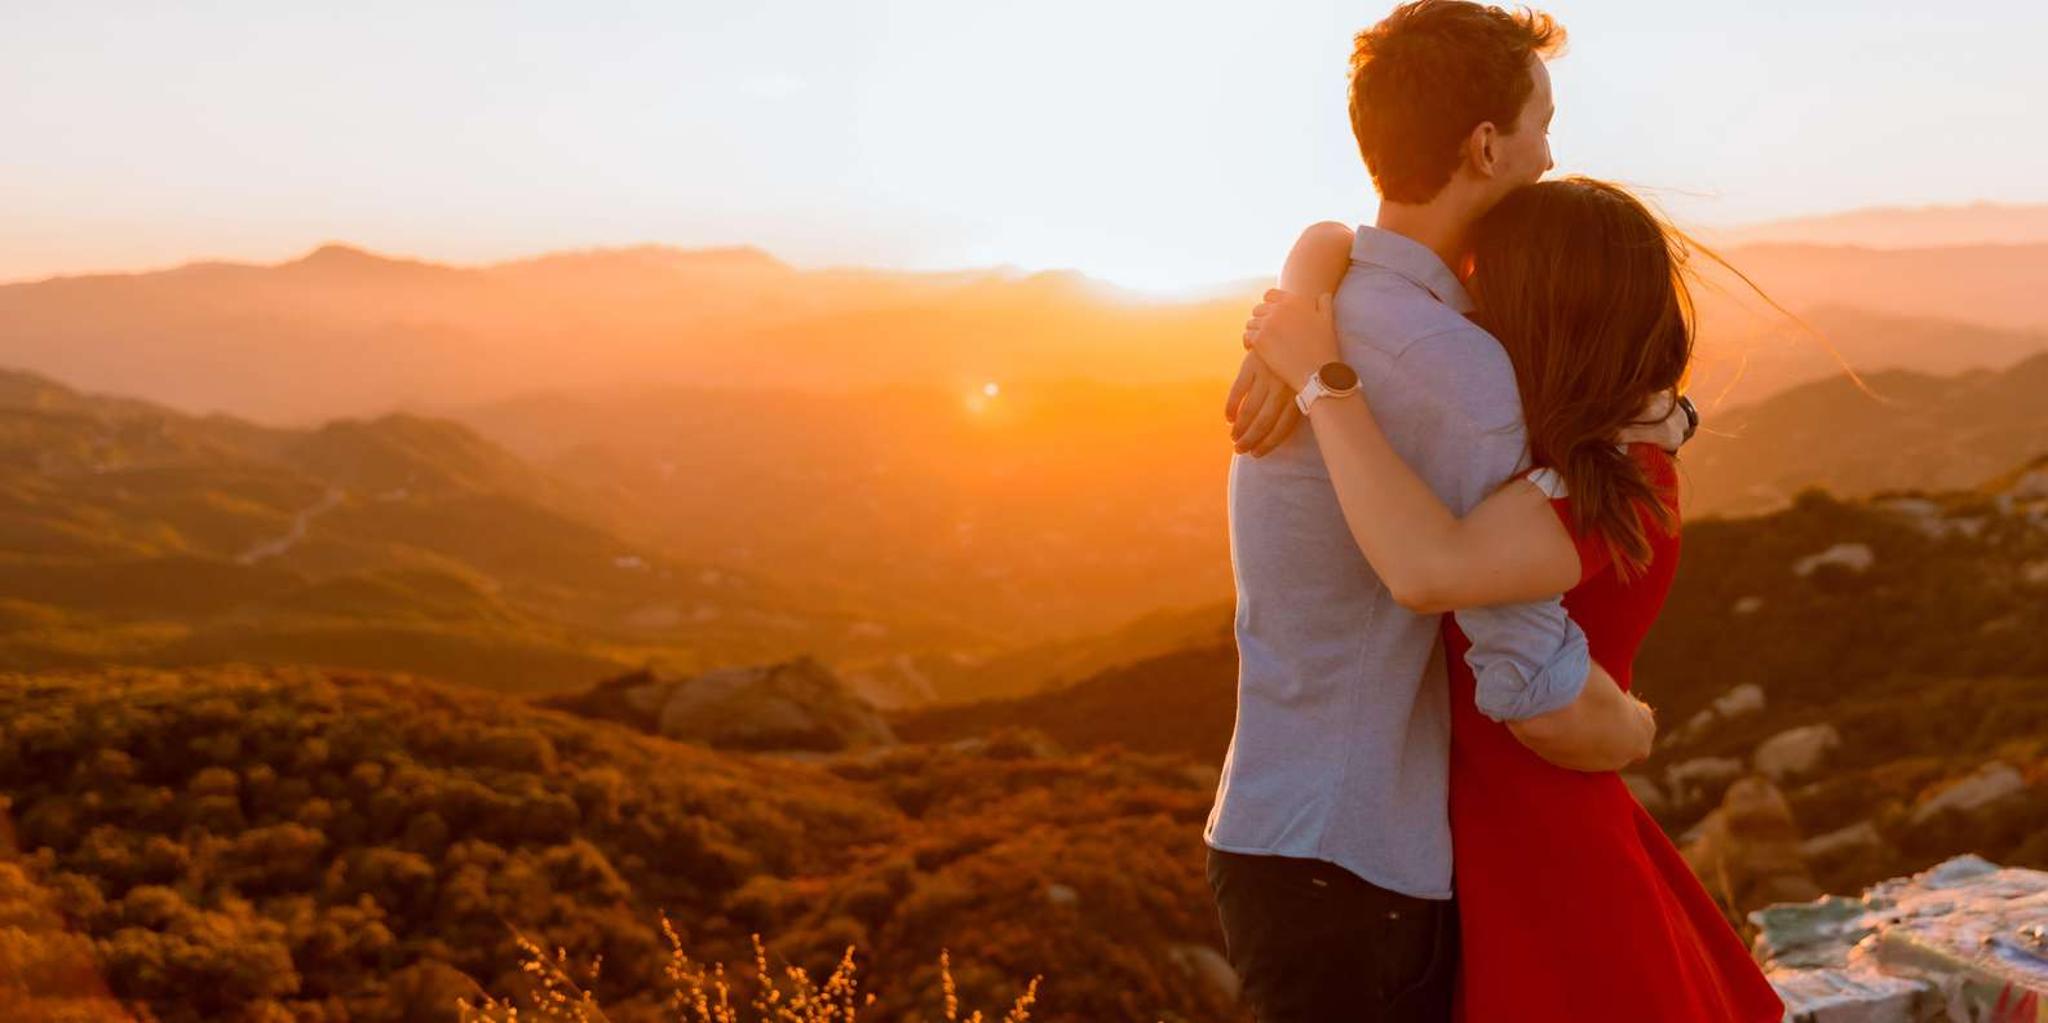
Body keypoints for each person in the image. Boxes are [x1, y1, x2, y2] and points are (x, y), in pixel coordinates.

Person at [1202, 3, 1693, 1020]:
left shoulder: (1331, 306)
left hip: (1273, 830)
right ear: (1482, 144)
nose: (1550, 155)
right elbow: (1524, 666)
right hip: (1363, 863)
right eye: (1539, 123)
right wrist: (1631, 725)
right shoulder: (1461, 371)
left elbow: (1336, 239)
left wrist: (1311, 263)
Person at [1242, 177, 1784, 1021]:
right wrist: (1309, 272)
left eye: (1478, 285)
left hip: (1540, 850)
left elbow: (1429, 569)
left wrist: (1320, 377)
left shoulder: (1594, 485)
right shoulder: (1579, 452)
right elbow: (1341, 237)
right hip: (1488, 839)